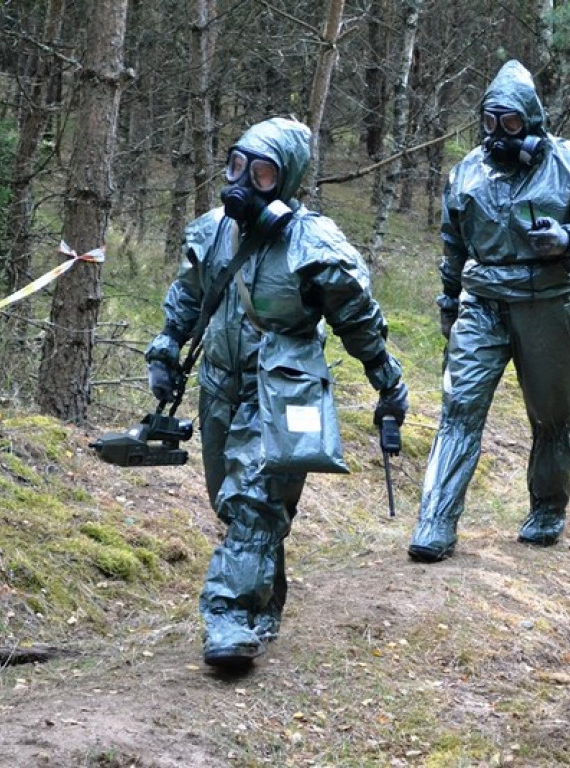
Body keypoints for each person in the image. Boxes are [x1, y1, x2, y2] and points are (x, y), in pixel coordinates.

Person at [145, 117, 409, 668]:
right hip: (220, 384)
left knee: (254, 503)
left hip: (286, 393)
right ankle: (262, 607)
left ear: (286, 183)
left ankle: (226, 616)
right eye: (237, 166)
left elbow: (359, 320)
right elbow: (188, 296)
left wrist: (388, 382)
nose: (243, 182)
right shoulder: (213, 231)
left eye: (261, 173)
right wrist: (166, 351)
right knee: (234, 503)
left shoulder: (314, 245)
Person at [407, 60, 570, 563]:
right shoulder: (465, 172)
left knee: (551, 415)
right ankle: (435, 521)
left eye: (510, 123)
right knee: (459, 409)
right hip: (481, 301)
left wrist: (569, 237)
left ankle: (547, 507)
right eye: (490, 121)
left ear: (531, 120)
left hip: (544, 304)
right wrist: (447, 303)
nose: (499, 133)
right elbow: (451, 244)